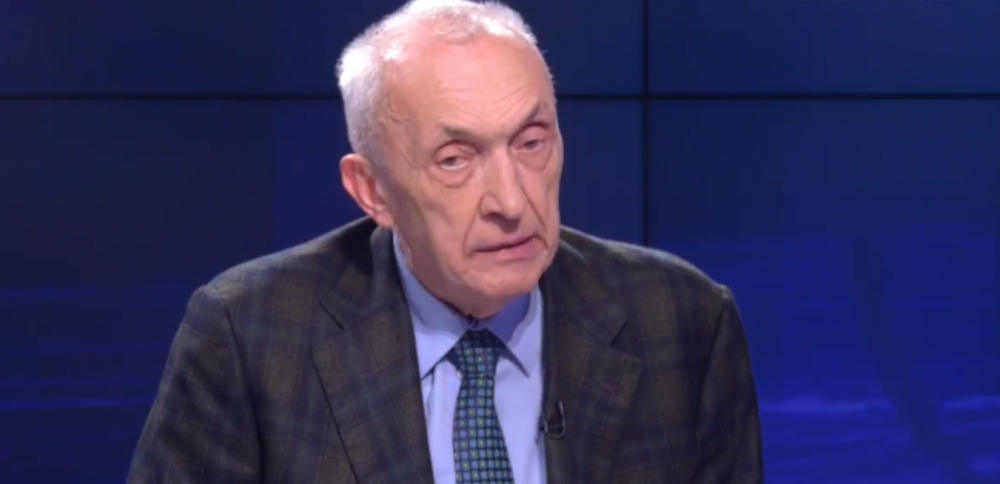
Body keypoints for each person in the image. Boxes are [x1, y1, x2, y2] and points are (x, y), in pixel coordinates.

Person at [126, 0, 763, 482]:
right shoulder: (250, 335)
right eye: (456, 159)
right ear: (372, 190)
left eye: (531, 143)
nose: (511, 202)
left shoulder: (683, 322)